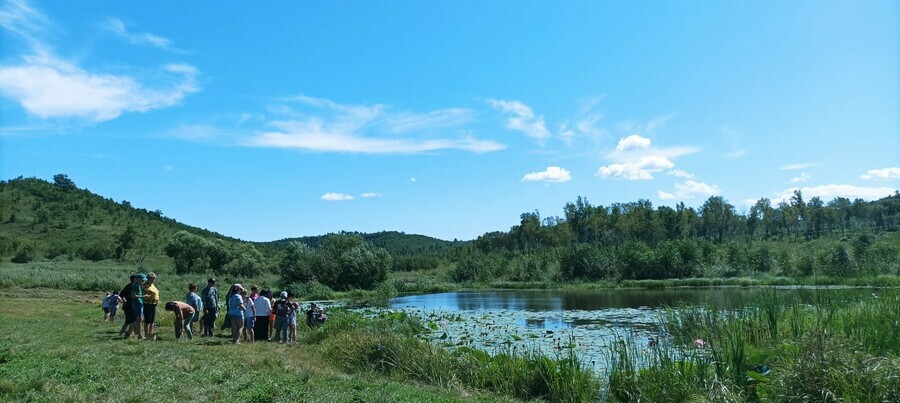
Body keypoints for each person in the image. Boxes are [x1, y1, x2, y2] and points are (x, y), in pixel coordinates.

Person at [125, 274, 149, 339]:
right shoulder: (135, 285)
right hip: (137, 304)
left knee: (137, 319)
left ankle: (129, 332)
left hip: (139, 303)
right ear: (138, 279)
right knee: (139, 319)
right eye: (142, 280)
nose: (143, 281)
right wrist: (144, 296)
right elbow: (133, 296)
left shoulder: (137, 285)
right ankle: (140, 335)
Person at [142, 272, 160, 341]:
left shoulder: (152, 285)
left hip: (153, 304)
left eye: (154, 279)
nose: (153, 280)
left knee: (152, 320)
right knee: (147, 320)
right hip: (147, 304)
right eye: (152, 279)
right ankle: (146, 334)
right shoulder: (144, 285)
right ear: (148, 279)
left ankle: (150, 333)